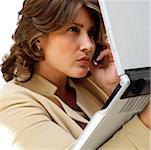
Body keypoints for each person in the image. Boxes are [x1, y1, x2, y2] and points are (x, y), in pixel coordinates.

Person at [0, 0, 150, 149]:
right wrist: (145, 123)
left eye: (91, 33)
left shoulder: (88, 83)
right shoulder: (13, 104)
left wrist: (116, 90)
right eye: (73, 29)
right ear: (38, 37)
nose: (88, 45)